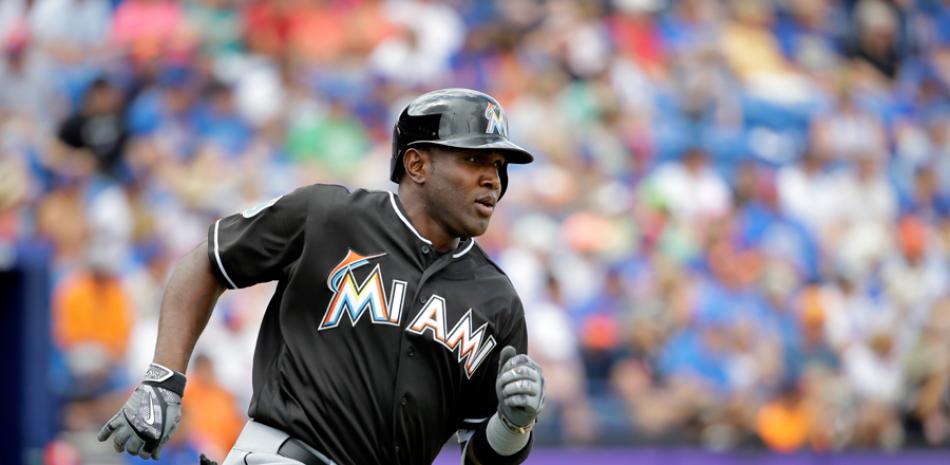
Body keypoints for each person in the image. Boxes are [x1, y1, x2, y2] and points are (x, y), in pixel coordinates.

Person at [96, 88, 546, 465]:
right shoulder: (328, 217)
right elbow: (208, 262)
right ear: (417, 165)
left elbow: (479, 457)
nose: (493, 179)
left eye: (499, 165)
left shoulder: (497, 298)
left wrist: (512, 425)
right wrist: (163, 379)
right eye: (475, 159)